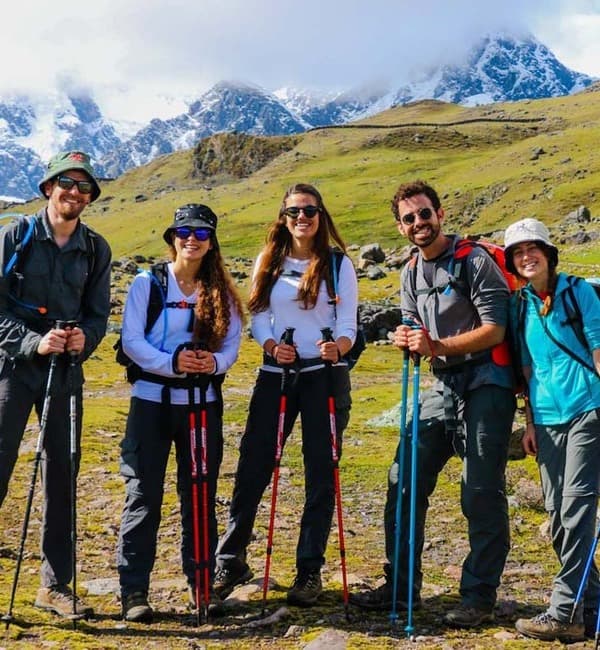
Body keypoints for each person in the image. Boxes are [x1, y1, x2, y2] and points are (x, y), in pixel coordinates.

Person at [350, 179, 515, 628]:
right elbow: (409, 325)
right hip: (443, 387)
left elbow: (496, 328)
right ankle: (402, 586)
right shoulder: (409, 273)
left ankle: (478, 597)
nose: (419, 223)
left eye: (425, 213)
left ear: (440, 213)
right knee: (402, 480)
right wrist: (405, 337)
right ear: (400, 228)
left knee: (479, 491)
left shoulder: (474, 261)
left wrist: (437, 345)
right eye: (409, 218)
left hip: (487, 383)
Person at [213, 183, 357, 607]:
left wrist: (341, 347)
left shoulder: (337, 264)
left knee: (320, 471)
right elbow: (258, 316)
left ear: (320, 215)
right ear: (283, 217)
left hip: (324, 376)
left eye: (310, 210)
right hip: (276, 374)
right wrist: (273, 346)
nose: (302, 218)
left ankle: (308, 570)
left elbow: (349, 322)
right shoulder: (269, 259)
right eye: (294, 211)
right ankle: (231, 559)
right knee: (253, 466)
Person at [116, 203, 244, 622]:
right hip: (151, 402)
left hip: (201, 406)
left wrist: (213, 364)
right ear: (172, 237)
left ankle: (202, 587)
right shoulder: (146, 284)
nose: (192, 239)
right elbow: (132, 341)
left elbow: (231, 349)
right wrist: (172, 363)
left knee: (200, 496)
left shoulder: (222, 292)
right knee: (143, 496)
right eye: (184, 231)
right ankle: (134, 592)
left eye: (202, 233)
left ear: (212, 243)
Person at [0, 151, 111, 617]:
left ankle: (56, 587)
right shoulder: (15, 236)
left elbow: (99, 314)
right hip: (11, 369)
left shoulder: (96, 249)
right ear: (48, 187)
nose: (74, 192)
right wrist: (33, 341)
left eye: (84, 187)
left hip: (65, 373)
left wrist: (83, 339)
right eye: (66, 182)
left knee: (61, 476)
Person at [503, 218, 600, 643]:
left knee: (577, 509)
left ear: (548, 251)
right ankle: (592, 605)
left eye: (533, 248)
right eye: (518, 252)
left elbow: (598, 348)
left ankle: (563, 612)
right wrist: (527, 423)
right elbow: (526, 369)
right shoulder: (518, 305)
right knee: (558, 517)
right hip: (545, 420)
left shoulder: (579, 293)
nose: (527, 257)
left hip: (587, 410)